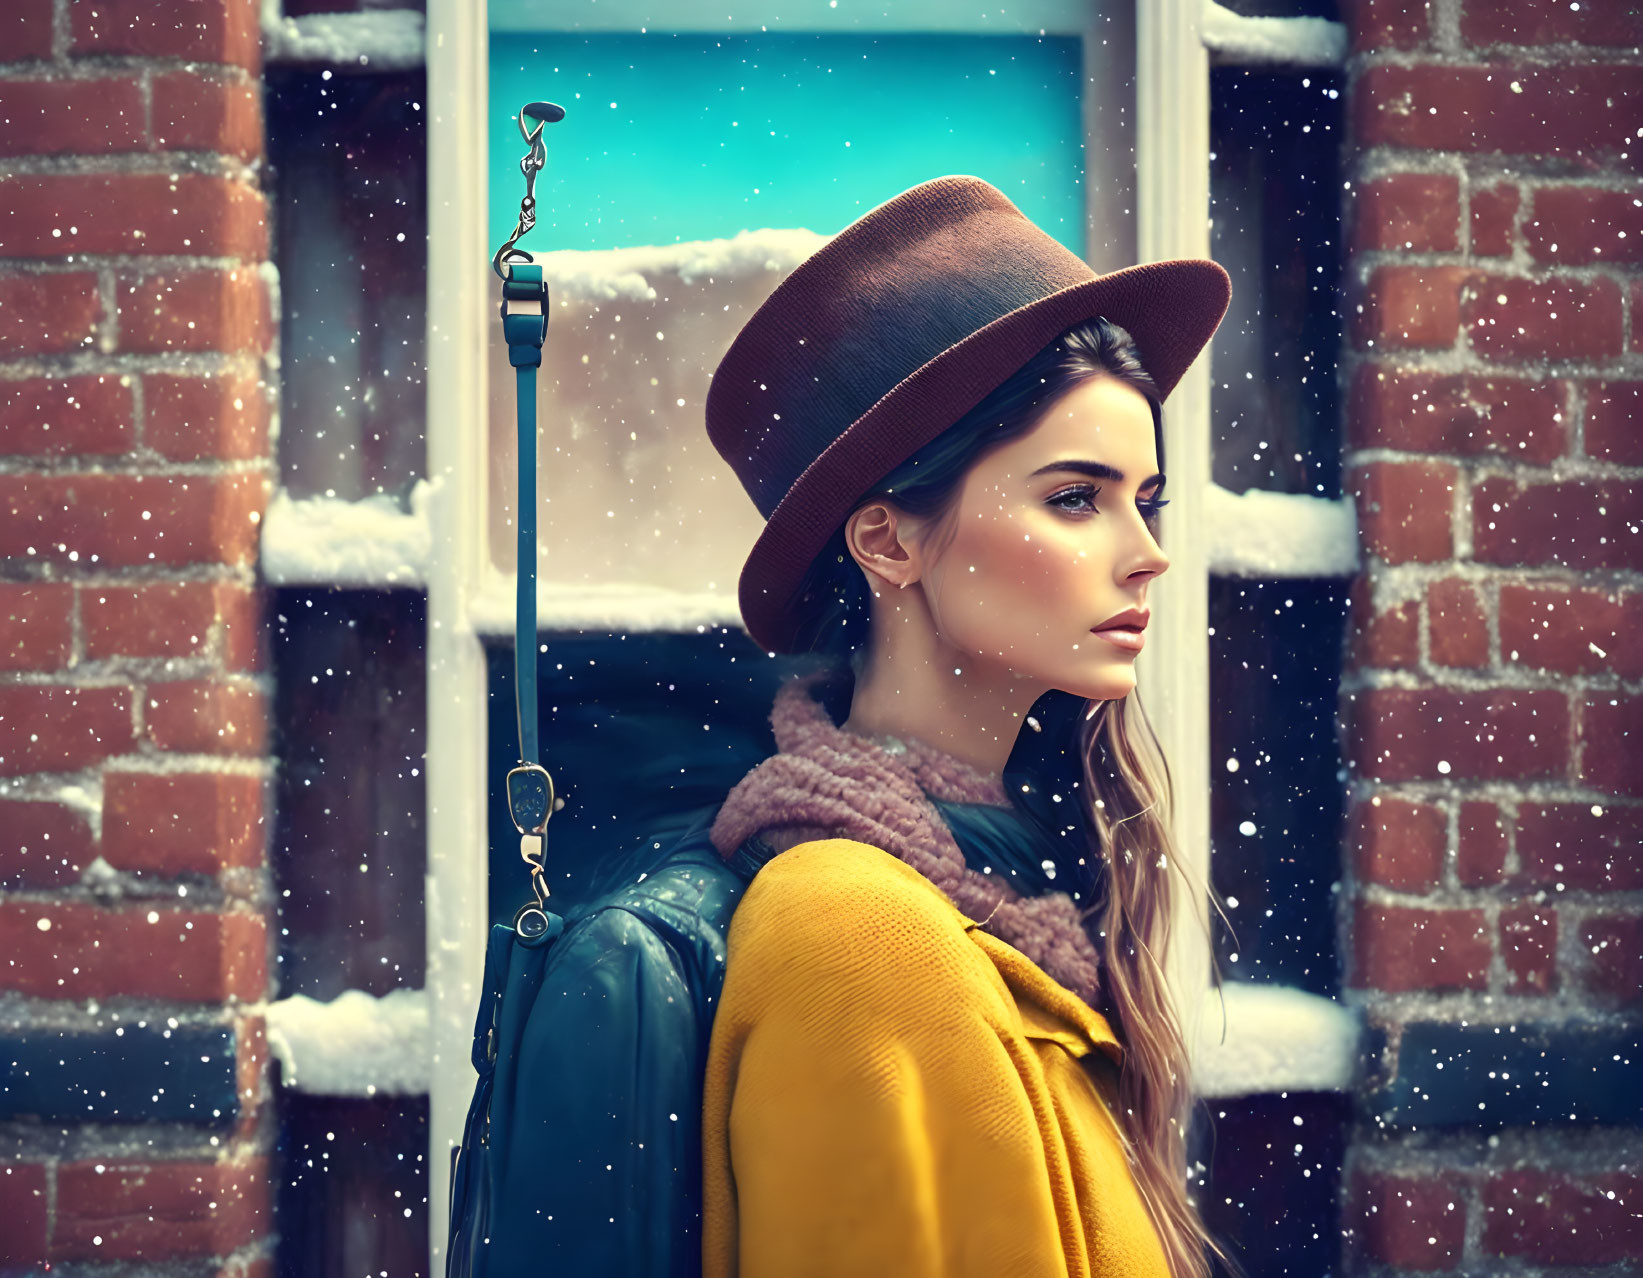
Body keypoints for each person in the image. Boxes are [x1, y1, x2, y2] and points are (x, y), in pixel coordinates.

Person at [482, 175, 1237, 1278]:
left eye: (1145, 498)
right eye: (1074, 497)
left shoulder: (1006, 897)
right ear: (886, 544)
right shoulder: (857, 940)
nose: (1145, 549)